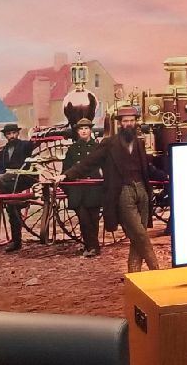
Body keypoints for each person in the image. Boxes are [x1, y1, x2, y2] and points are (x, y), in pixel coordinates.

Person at [62, 106, 167, 272]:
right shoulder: (109, 144)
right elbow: (89, 162)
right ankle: (156, 270)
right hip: (123, 191)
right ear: (120, 124)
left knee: (137, 236)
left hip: (142, 191)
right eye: (125, 121)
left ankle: (134, 274)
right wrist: (66, 175)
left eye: (132, 121)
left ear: (136, 123)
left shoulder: (139, 143)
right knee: (139, 234)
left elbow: (147, 168)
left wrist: (166, 176)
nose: (129, 124)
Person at [61, 118, 106, 257]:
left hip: (94, 187)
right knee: (83, 218)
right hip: (78, 189)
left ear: (90, 130)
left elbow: (105, 168)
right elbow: (65, 170)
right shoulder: (72, 149)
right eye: (81, 129)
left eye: (86, 128)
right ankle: (92, 246)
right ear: (77, 132)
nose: (84, 131)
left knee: (93, 219)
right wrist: (69, 191)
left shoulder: (97, 148)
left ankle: (91, 246)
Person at [0, 123, 36, 252]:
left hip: (24, 178)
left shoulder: (24, 146)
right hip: (10, 183)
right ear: (5, 136)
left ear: (17, 134)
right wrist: (0, 174)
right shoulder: (3, 152)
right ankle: (16, 242)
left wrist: (34, 134)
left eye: (13, 133)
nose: (11, 136)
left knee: (2, 180)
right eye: (9, 134)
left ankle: (11, 200)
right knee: (12, 211)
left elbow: (33, 144)